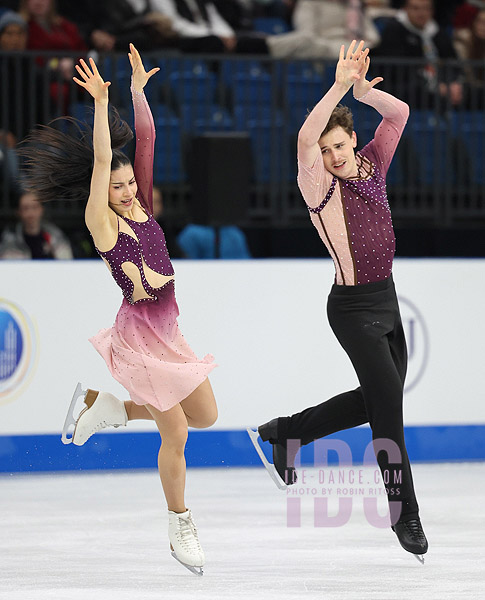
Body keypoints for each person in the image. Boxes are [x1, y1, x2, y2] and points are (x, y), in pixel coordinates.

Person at [20, 45, 217, 576]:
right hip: (138, 338)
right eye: (118, 186)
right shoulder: (103, 224)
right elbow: (105, 160)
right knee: (173, 431)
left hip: (169, 333)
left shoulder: (144, 205)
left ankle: (102, 407)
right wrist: (103, 106)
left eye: (130, 184)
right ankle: (180, 524)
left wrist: (136, 92)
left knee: (205, 416)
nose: (128, 192)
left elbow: (146, 140)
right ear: (102, 191)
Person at [248, 41, 428, 562]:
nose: (332, 156)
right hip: (351, 310)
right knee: (387, 414)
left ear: (354, 141)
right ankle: (405, 516)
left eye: (339, 147)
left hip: (387, 302)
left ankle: (285, 433)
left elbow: (401, 113)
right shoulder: (319, 187)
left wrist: (367, 95)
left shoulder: (373, 163)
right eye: (327, 151)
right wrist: (338, 85)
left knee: (377, 399)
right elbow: (305, 138)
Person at [374, 0, 463, 109]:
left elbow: (452, 62)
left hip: (439, 87)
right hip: (405, 90)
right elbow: (397, 70)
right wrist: (433, 86)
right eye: (416, 8)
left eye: (426, 9)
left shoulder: (438, 33)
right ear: (405, 9)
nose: (421, 13)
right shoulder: (394, 30)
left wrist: (451, 83)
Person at [0, 191, 73, 259]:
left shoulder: (54, 234)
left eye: (34, 207)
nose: (31, 213)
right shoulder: (11, 238)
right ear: (19, 212)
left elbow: (67, 263)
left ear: (41, 209)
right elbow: (8, 267)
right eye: (25, 208)